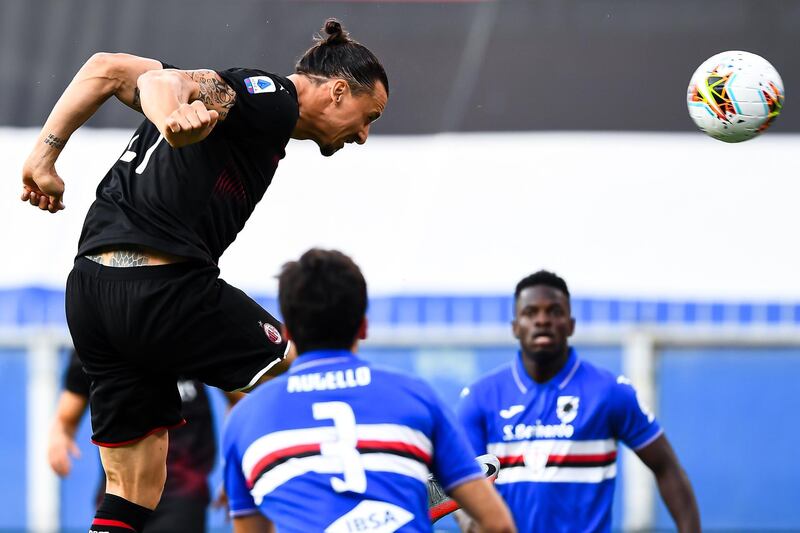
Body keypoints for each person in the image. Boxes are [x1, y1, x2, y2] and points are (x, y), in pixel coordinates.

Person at [21, 18, 388, 533]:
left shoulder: (246, 111)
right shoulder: (273, 97)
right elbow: (163, 86)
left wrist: (43, 155)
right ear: (338, 90)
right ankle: (392, 489)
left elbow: (106, 69)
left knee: (135, 484)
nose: (365, 135)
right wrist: (173, 115)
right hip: (162, 287)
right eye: (368, 117)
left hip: (90, 292)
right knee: (300, 365)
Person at [221, 248, 516, 533]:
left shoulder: (245, 416)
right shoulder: (414, 395)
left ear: (286, 333)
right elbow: (498, 524)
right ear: (363, 327)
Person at [456, 270, 701, 533]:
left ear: (571, 324)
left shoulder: (609, 392)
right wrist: (471, 524)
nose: (542, 321)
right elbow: (461, 485)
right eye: (530, 312)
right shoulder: (480, 397)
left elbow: (667, 469)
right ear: (515, 326)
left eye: (554, 311)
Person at [48, 351, 236, 532]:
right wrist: (59, 436)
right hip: (119, 493)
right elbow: (66, 418)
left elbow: (240, 400)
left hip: (182, 491)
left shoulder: (186, 331)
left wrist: (234, 467)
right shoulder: (99, 332)